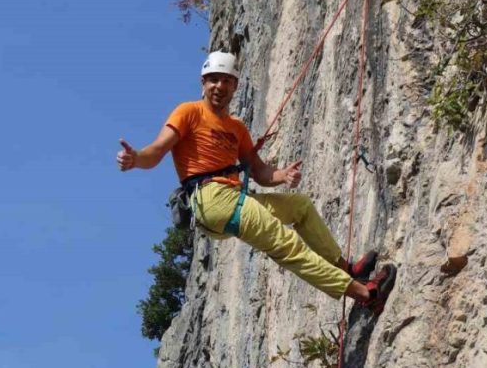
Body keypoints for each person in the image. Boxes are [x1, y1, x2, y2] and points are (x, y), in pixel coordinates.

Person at [117, 51, 396, 312]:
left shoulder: (237, 128)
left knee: (300, 207)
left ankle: (346, 268)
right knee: (286, 244)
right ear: (203, 83)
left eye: (227, 81)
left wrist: (283, 175)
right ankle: (365, 294)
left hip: (235, 198)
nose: (219, 86)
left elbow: (260, 171)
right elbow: (157, 151)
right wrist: (136, 158)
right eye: (214, 80)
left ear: (235, 86)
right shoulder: (189, 112)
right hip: (212, 198)